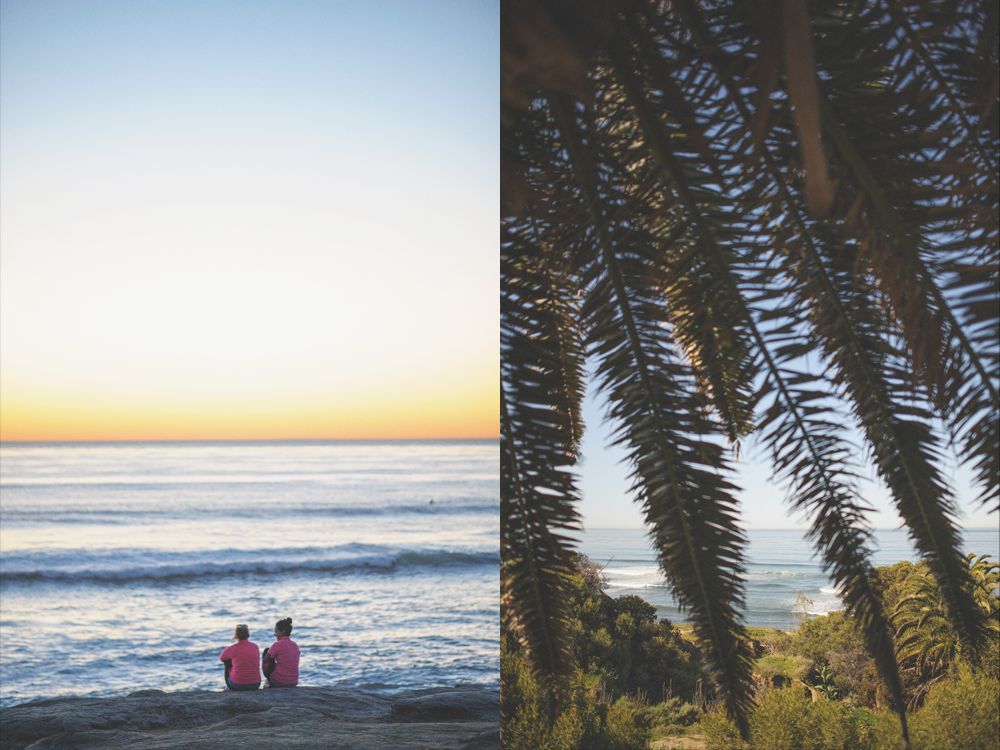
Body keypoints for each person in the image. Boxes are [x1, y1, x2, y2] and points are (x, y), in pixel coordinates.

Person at [219, 623, 261, 691]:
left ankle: (229, 687)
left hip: (238, 685)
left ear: (236, 636)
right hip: (255, 684)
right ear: (248, 635)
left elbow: (221, 658)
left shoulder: (232, 648)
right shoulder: (255, 646)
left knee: (227, 661)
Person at [261, 617, 299, 688]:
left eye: (276, 631)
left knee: (267, 651)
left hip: (279, 681)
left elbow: (265, 659)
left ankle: (269, 681)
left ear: (283, 632)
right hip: (293, 682)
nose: (274, 634)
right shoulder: (295, 645)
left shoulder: (277, 645)